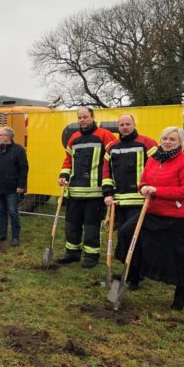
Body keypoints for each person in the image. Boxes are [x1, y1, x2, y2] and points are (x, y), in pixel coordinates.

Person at [116, 127, 184, 311]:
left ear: (181, 142)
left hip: (175, 217)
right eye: (164, 138)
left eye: (172, 139)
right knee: (127, 234)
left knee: (176, 254)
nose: (167, 142)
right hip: (151, 212)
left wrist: (158, 191)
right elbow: (143, 181)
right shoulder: (154, 159)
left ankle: (179, 292)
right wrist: (144, 188)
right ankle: (134, 275)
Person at [102, 114, 157, 288]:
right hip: (120, 202)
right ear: (118, 127)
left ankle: (135, 275)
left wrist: (151, 190)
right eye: (122, 124)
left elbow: (157, 170)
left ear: (134, 124)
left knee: (134, 238)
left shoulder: (148, 144)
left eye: (128, 124)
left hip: (140, 201)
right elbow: (106, 173)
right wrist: (108, 193)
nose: (125, 127)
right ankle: (130, 271)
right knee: (124, 237)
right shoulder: (112, 147)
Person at [57, 107, 116, 268]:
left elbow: (113, 160)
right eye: (80, 117)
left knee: (91, 226)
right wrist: (63, 176)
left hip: (96, 193)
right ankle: (72, 253)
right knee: (71, 224)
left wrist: (108, 187)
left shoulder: (104, 135)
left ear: (92, 117)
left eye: (85, 117)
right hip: (75, 192)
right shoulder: (74, 138)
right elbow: (68, 160)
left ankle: (91, 256)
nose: (82, 120)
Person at [0, 125, 28, 246]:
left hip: (12, 187)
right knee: (1, 211)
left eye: (0, 134)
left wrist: (21, 185)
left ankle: (15, 237)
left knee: (13, 211)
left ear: (8, 136)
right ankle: (2, 234)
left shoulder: (19, 150)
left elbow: (23, 169)